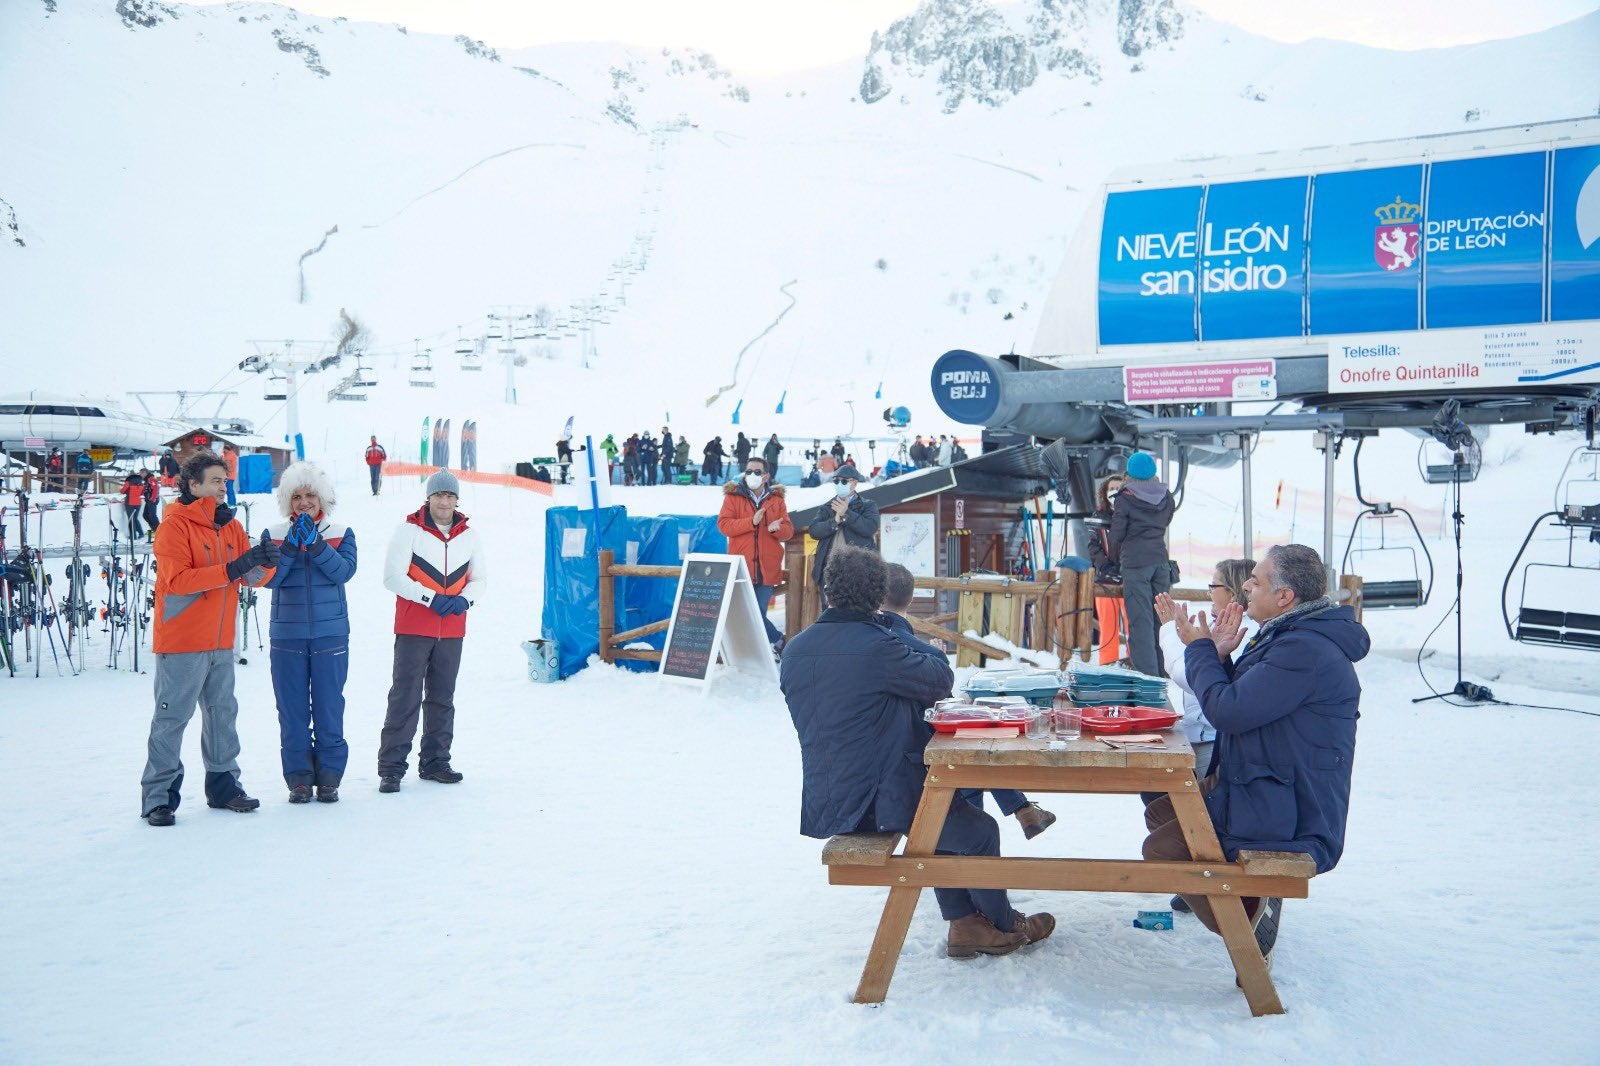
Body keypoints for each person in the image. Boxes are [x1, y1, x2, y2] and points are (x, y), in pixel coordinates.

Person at [781, 546, 1056, 958]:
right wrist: (895, 628)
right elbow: (940, 677)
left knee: (947, 813)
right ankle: (1005, 926)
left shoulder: (796, 649)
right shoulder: (879, 646)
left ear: (827, 591)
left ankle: (965, 924)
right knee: (978, 830)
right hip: (878, 801)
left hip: (829, 797)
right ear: (877, 597)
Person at [1144, 544, 1366, 962]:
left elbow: (1228, 711)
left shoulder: (1302, 650)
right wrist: (1220, 657)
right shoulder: (1294, 637)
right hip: (1269, 784)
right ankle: (1249, 900)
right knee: (1162, 811)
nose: (1245, 585)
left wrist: (1202, 649)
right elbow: (1245, 701)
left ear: (1285, 597)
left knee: (1162, 850)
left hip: (1289, 807)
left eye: (1256, 580)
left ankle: (1247, 921)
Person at [139, 450, 279, 826]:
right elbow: (178, 581)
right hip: (182, 641)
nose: (223, 487)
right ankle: (158, 797)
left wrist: (265, 561)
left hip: (220, 640)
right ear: (192, 484)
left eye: (225, 481)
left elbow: (249, 578)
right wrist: (234, 566)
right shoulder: (174, 526)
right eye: (216, 480)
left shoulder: (229, 526)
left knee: (222, 714)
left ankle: (223, 785)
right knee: (172, 719)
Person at [879, 563, 1056, 840]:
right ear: (911, 599)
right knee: (968, 751)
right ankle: (1015, 812)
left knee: (967, 751)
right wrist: (934, 659)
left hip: (893, 751)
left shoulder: (873, 642)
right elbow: (942, 707)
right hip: (911, 760)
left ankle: (1015, 813)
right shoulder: (912, 650)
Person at [378, 469, 486, 792]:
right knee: (405, 696)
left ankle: (436, 761)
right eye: (439, 495)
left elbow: (480, 579)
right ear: (429, 497)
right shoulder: (408, 530)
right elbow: (392, 577)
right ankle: (392, 768)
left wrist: (463, 602)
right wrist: (429, 598)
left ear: (457, 500)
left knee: (442, 698)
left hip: (452, 630)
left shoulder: (469, 536)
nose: (445, 501)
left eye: (450, 496)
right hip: (414, 626)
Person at [263, 462, 357, 804]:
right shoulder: (273, 534)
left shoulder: (341, 532)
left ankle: (330, 776)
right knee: (292, 710)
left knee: (329, 706)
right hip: (287, 637)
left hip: (330, 635)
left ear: (323, 498)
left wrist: (315, 544)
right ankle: (299, 778)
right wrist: (289, 547)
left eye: (310, 495)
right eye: (297, 496)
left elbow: (343, 572)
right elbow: (270, 578)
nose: (304, 503)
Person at [717, 456, 793, 647]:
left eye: (757, 472)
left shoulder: (776, 500)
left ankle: (763, 653)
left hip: (767, 568)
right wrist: (751, 522)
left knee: (757, 614)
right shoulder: (733, 497)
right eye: (748, 471)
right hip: (742, 568)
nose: (752, 475)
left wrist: (778, 528)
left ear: (766, 476)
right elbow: (724, 525)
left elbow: (788, 532)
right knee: (748, 614)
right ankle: (778, 642)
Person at [1108, 451, 1173, 676]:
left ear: (1130, 472)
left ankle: (1148, 681)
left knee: (1140, 622)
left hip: (1136, 565)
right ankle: (1165, 673)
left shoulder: (1125, 498)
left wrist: (1111, 562)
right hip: (1161, 563)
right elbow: (1164, 522)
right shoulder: (1166, 496)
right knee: (1162, 620)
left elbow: (1116, 535)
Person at [807, 464, 879, 609]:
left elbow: (870, 527)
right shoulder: (828, 507)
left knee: (858, 610)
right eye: (837, 481)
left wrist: (847, 514)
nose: (840, 484)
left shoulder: (867, 505)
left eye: (844, 481)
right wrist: (834, 521)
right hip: (829, 570)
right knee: (829, 611)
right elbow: (814, 530)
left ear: (855, 483)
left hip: (859, 569)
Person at [1085, 474, 1126, 665]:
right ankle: (1107, 665)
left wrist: (1123, 568)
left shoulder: (1130, 516)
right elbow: (1093, 547)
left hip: (1128, 579)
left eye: (1118, 488)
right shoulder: (1098, 517)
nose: (1114, 492)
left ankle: (1133, 663)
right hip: (1104, 581)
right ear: (1105, 492)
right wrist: (1105, 566)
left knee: (1133, 627)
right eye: (1111, 489)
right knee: (1107, 628)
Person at [120, 472, 145, 541]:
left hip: (129, 502)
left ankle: (133, 536)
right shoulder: (141, 483)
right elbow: (142, 493)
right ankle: (141, 533)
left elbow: (122, 491)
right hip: (138, 503)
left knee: (131, 519)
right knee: (135, 518)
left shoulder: (128, 482)